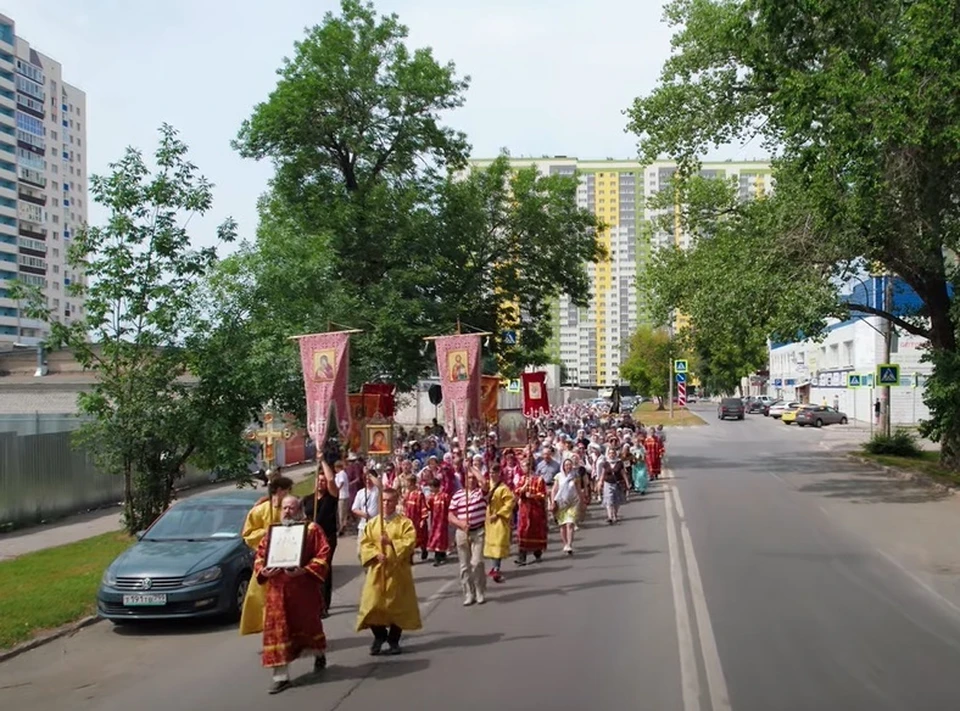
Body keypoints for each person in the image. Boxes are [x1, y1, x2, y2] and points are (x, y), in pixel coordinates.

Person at [256, 495, 331, 694]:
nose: (288, 511)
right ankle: (280, 677)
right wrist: (263, 571)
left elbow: (323, 554)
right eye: (285, 508)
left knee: (308, 626)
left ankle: (318, 653)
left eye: (292, 508)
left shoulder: (312, 530)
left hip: (303, 590)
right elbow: (260, 556)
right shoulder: (272, 532)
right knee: (277, 633)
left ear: (299, 510)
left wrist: (305, 569)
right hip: (277, 592)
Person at [356, 487, 422, 656]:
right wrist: (375, 554)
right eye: (383, 500)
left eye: (390, 501)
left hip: (397, 572)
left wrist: (391, 541)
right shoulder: (373, 523)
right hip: (378, 572)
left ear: (396, 502)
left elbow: (410, 542)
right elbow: (365, 544)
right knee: (371, 605)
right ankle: (379, 635)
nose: (386, 504)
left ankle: (393, 640)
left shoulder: (404, 523)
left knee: (397, 607)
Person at [240, 476, 294, 636]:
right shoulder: (260, 511)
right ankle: (269, 628)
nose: (290, 493)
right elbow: (248, 535)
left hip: (289, 558)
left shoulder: (292, 507)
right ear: (279, 491)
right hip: (266, 560)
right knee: (260, 597)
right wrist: (267, 531)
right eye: (288, 490)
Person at [302, 460, 340, 616]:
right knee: (311, 569)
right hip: (312, 537)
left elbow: (332, 480)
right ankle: (313, 601)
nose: (322, 483)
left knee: (324, 568)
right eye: (320, 480)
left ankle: (324, 604)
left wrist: (322, 458)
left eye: (324, 481)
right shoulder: (308, 499)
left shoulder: (331, 496)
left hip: (327, 537)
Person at [449, 469, 488, 605]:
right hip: (462, 531)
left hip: (478, 531)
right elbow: (450, 515)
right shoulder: (457, 495)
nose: (471, 480)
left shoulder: (480, 493)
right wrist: (459, 523)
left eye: (473, 478)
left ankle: (479, 590)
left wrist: (470, 467)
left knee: (476, 562)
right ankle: (468, 593)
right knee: (464, 565)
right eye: (468, 478)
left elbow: (483, 482)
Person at [482, 463, 515, 583]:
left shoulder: (504, 488)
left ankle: (497, 567)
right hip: (488, 519)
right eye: (491, 473)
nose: (492, 475)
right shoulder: (487, 485)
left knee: (498, 542)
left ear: (499, 474)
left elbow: (509, 504)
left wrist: (499, 513)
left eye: (494, 473)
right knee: (491, 545)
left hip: (499, 519)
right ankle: (493, 565)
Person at [514, 450, 548, 566]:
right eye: (522, 466)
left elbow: (543, 494)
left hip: (535, 510)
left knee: (535, 531)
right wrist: (522, 490)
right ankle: (522, 556)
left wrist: (533, 496)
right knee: (523, 531)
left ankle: (537, 552)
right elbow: (517, 490)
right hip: (524, 509)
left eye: (525, 466)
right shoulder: (522, 479)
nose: (523, 468)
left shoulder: (539, 479)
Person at [552, 458, 582, 554]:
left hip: (573, 503)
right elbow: (554, 490)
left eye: (570, 465)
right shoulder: (558, 476)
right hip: (561, 503)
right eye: (566, 465)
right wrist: (553, 501)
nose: (568, 467)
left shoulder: (575, 476)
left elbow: (578, 489)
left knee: (570, 523)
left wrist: (582, 501)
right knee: (563, 525)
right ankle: (565, 543)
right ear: (563, 466)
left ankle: (569, 544)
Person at [403, 474, 430, 563]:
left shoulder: (419, 494)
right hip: (408, 519)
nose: (405, 484)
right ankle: (410, 557)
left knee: (420, 537)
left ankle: (424, 549)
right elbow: (405, 506)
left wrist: (423, 519)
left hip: (417, 520)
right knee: (409, 538)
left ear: (411, 483)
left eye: (407, 482)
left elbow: (423, 506)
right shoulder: (407, 493)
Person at [426, 478, 450, 566]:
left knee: (440, 537)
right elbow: (428, 507)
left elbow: (449, 507)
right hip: (434, 521)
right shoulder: (431, 497)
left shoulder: (444, 496)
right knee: (435, 537)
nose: (431, 489)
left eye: (432, 487)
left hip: (443, 520)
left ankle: (439, 556)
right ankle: (439, 555)